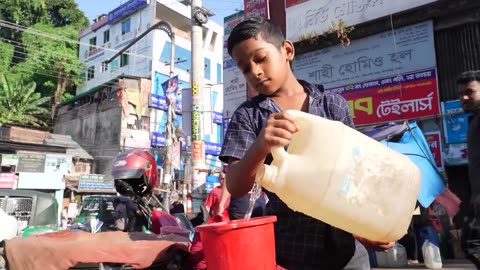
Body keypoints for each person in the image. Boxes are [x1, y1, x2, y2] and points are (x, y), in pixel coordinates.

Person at [220, 17, 393, 269]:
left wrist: (370, 226)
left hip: (347, 250)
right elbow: (235, 185)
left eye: (260, 58)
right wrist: (260, 146)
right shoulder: (248, 116)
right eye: (245, 68)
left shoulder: (332, 105)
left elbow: (357, 172)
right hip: (289, 252)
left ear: (287, 50)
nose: (255, 71)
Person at [457, 70, 480, 268]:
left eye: (470, 92)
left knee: (471, 243)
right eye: (460, 94)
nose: (464, 97)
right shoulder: (474, 119)